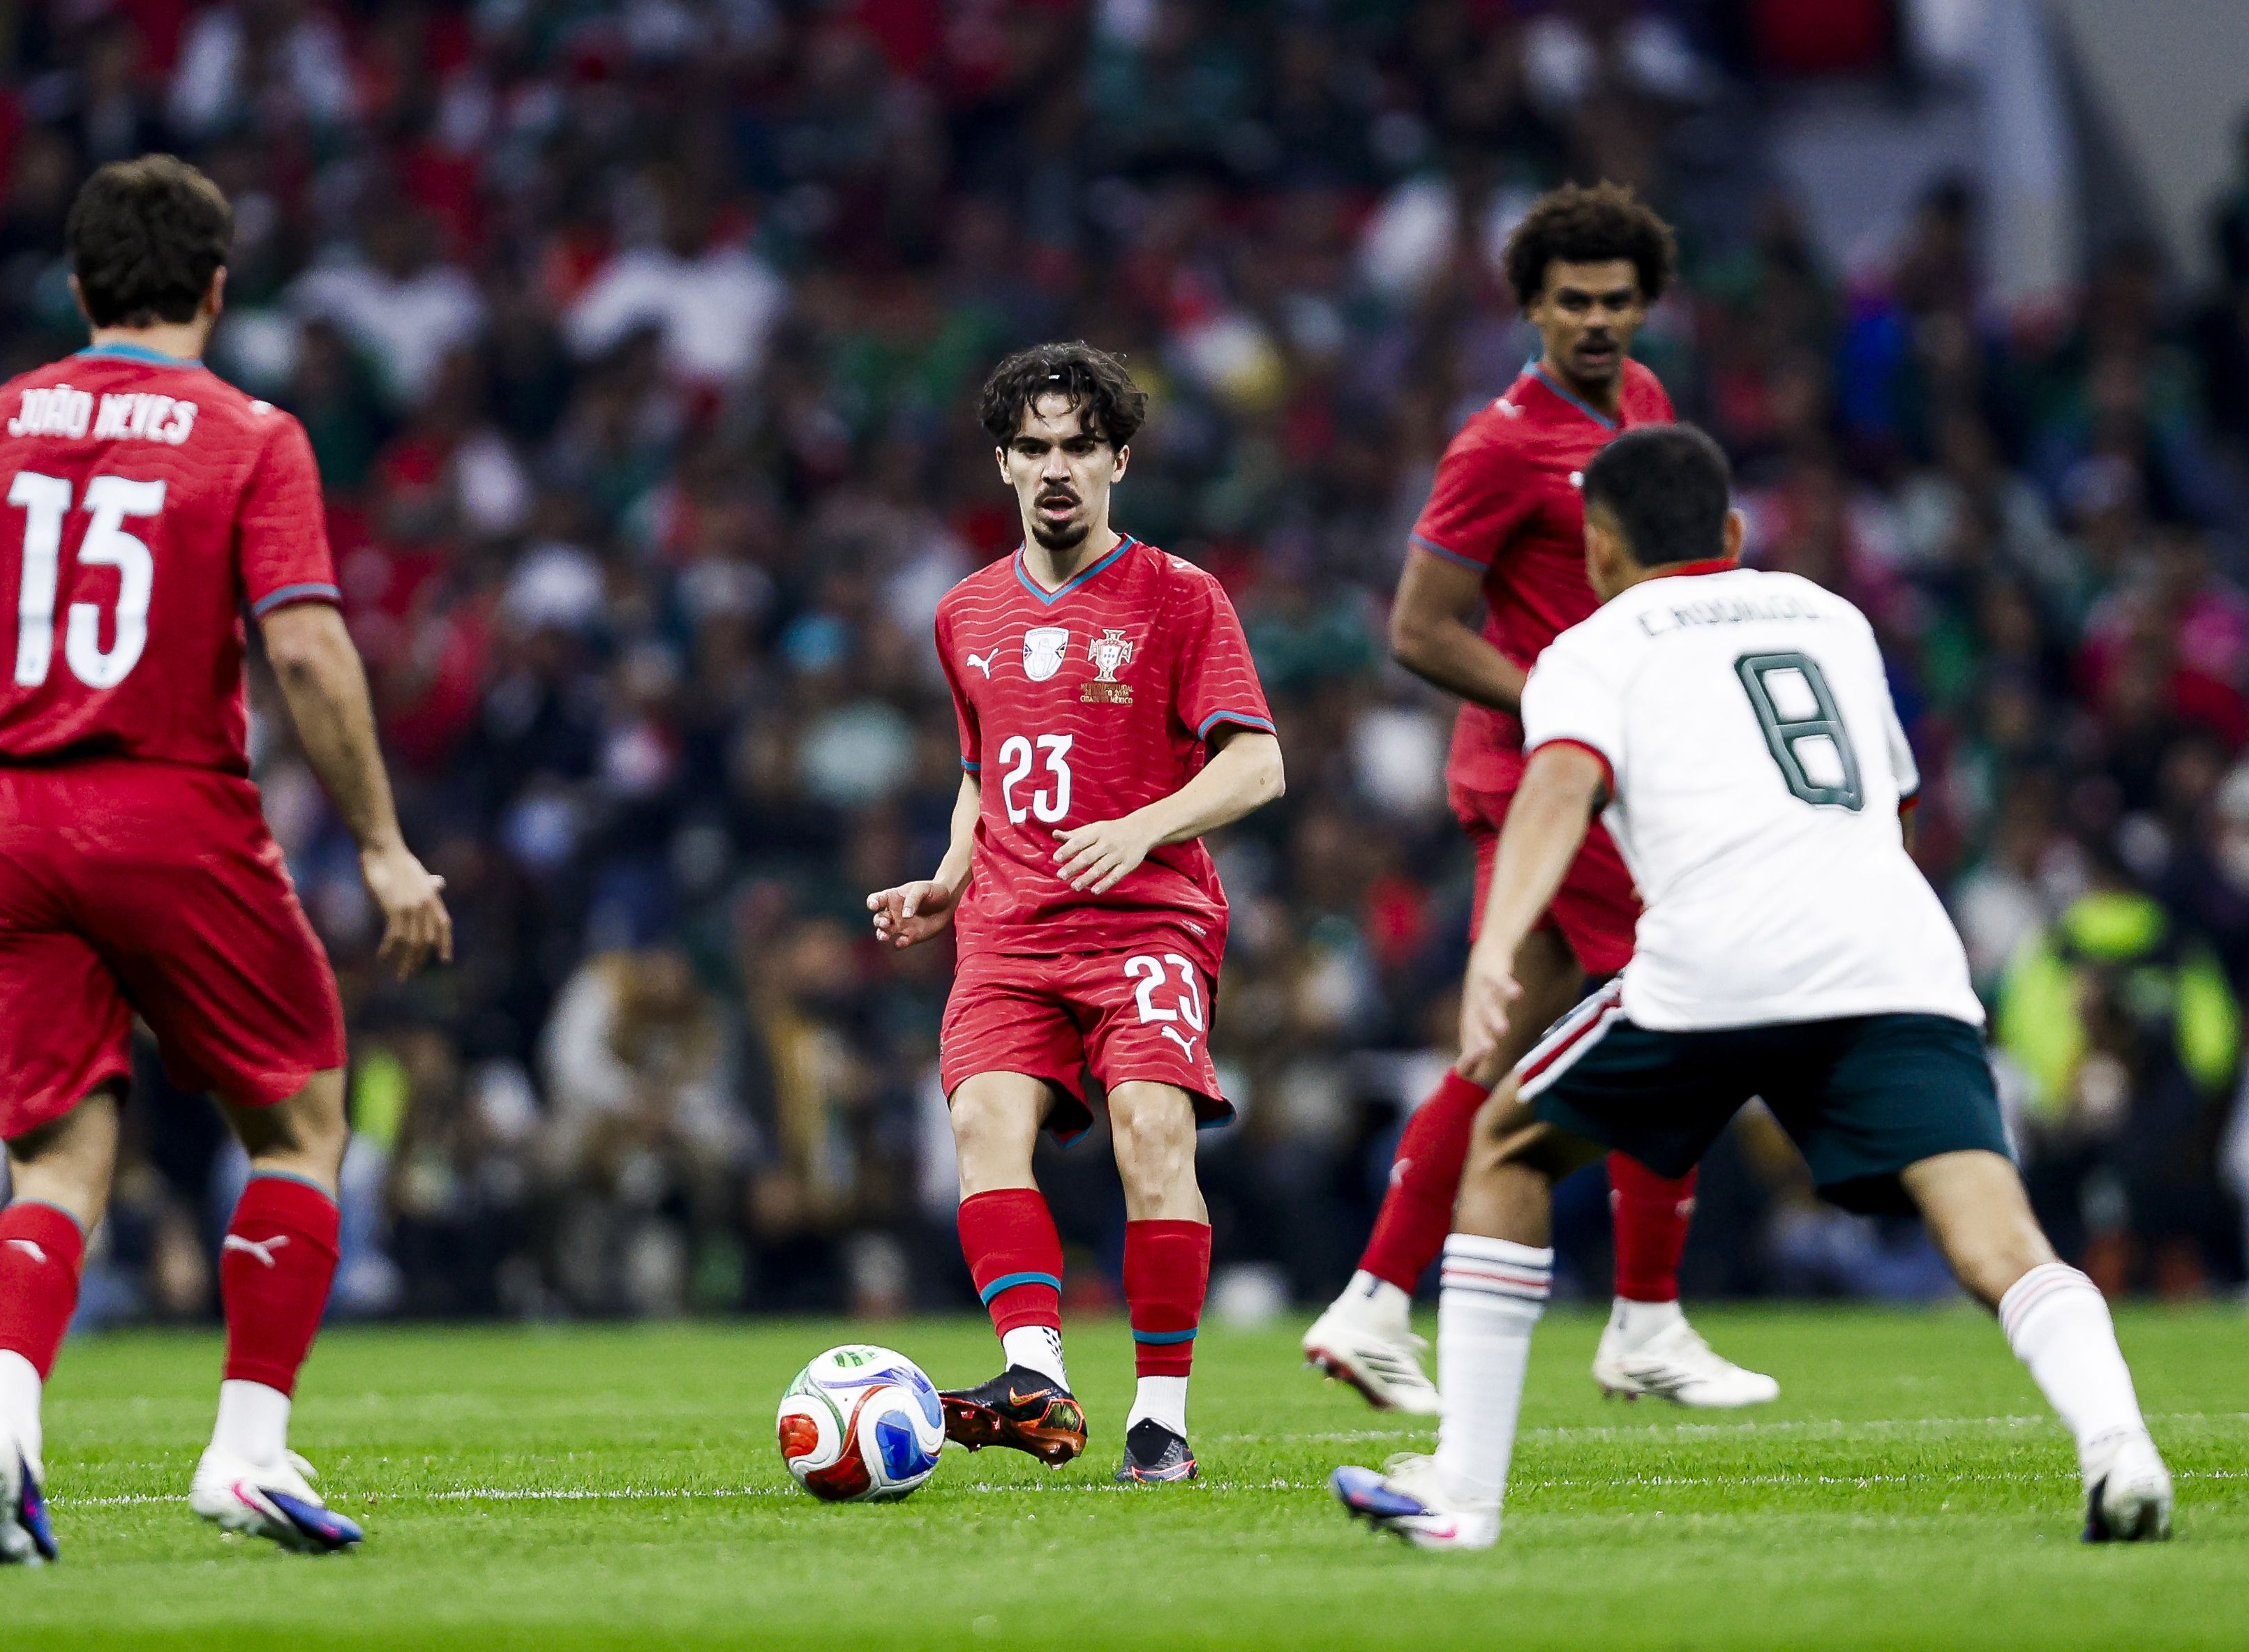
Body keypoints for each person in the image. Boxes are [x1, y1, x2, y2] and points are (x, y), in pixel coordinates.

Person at [1331, 424, 2172, 1549]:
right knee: (1996, 1236)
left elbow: (1558, 787)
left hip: (1715, 961)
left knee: (1508, 1149)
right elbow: (1898, 804)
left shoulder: (1596, 640)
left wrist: (1499, 945)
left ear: (1599, 550)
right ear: (1730, 533)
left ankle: (1462, 1499)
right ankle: (2120, 1448)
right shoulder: (1833, 616)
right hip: (1892, 957)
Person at [0, 156, 452, 1563]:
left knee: (55, 1162)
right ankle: (244, 1451)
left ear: (78, 288)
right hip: (171, 808)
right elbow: (301, 641)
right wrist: (380, 843)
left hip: (8, 820)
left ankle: (5, 1413)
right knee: (301, 1121)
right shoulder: (248, 431)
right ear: (218, 287)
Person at [1303, 181, 1777, 1414]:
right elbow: (1419, 627)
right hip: (1542, 776)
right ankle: (1647, 1320)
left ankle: (1370, 1303)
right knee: (1680, 1008)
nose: (1598, 324)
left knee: (1508, 1046)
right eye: (1573, 303)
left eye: (1618, 301)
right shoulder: (1500, 444)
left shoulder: (1650, 412)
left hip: (1617, 774)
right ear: (1531, 307)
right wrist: (1562, 700)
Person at [866, 343, 1285, 1483]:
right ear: (1003, 462)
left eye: (1080, 448)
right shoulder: (964, 614)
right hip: (1005, 926)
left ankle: (1160, 1420)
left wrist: (1144, 826)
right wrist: (947, 875)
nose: (1058, 469)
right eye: (1035, 448)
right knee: (981, 1128)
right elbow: (981, 770)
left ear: (1119, 462)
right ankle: (1039, 1379)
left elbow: (1257, 767)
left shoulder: (1182, 596)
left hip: (1148, 921)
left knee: (1152, 1131)